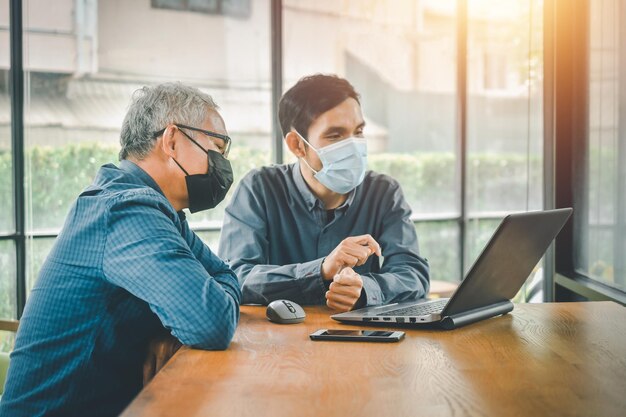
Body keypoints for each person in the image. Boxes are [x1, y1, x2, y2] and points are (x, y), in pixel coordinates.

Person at [0, 83, 241, 417]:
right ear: (172, 140)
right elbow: (211, 322)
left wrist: (170, 327)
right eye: (216, 147)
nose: (222, 163)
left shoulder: (161, 211)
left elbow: (224, 275)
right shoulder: (125, 209)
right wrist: (189, 313)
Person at [219, 74, 429, 312]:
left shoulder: (384, 193)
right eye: (335, 135)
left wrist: (365, 288)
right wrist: (321, 270)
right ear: (297, 145)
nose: (353, 146)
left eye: (358, 132)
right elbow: (235, 277)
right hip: (278, 341)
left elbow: (413, 274)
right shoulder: (259, 189)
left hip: (363, 340)